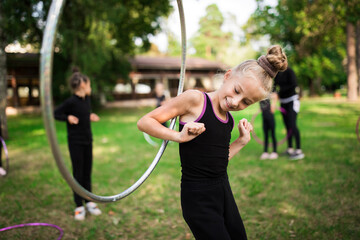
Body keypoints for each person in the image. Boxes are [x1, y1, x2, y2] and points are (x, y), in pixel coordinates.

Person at [137, 45, 288, 240]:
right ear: (227, 76)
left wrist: (241, 141)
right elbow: (145, 122)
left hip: (222, 191)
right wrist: (179, 136)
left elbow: (218, 160)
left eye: (246, 102)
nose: (235, 102)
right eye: (236, 91)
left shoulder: (229, 120)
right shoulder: (195, 100)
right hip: (198, 197)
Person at [54, 68, 102, 221]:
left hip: (88, 141)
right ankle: (78, 205)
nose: (90, 87)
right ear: (82, 84)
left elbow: (83, 114)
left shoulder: (86, 100)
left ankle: (89, 201)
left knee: (87, 172)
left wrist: (89, 116)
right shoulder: (70, 102)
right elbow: (56, 113)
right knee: (78, 173)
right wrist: (67, 117)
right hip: (75, 142)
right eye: (89, 84)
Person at [273, 67, 305, 160]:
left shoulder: (290, 71)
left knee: (292, 125)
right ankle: (290, 148)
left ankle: (298, 150)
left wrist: (279, 92)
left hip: (292, 101)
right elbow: (275, 85)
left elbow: (293, 85)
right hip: (283, 102)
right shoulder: (277, 73)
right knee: (287, 126)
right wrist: (274, 92)